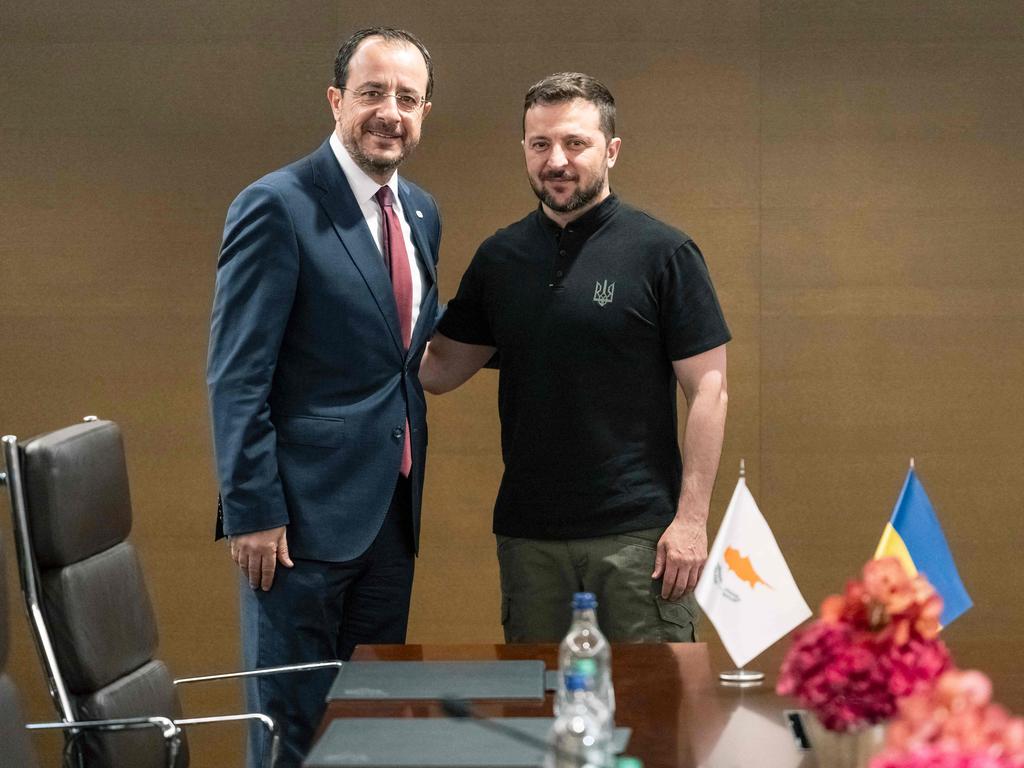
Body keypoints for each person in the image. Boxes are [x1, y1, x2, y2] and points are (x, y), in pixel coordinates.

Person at [419, 72, 730, 643]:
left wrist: (691, 521)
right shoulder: (500, 257)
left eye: (575, 143)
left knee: (652, 720)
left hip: (641, 540)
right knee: (539, 718)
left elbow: (710, 390)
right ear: (524, 151)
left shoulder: (664, 253)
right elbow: (438, 370)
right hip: (528, 538)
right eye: (540, 145)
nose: (556, 161)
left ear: (610, 150)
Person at [206, 27, 440, 766]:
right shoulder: (276, 205)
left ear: (425, 110)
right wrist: (253, 509)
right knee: (290, 735)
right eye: (373, 93)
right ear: (337, 100)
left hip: (390, 520)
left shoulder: (423, 213)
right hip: (296, 528)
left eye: (407, 97)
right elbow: (238, 373)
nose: (389, 112)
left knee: (371, 733)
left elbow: (400, 357)